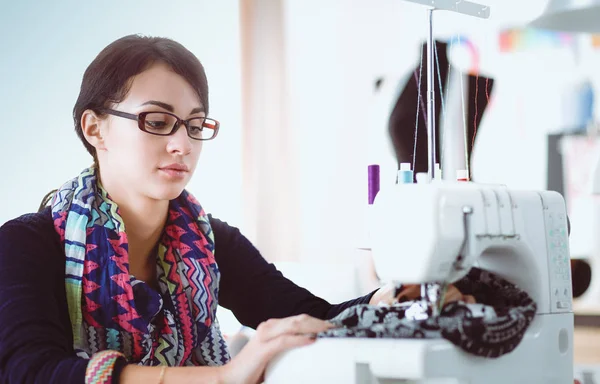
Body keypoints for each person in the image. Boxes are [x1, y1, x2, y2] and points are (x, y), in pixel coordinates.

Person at [0, 34, 472, 384]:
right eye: (158, 121)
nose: (182, 144)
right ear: (95, 128)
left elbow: (308, 315)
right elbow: (31, 370)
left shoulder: (212, 242)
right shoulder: (28, 244)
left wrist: (389, 303)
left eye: (195, 124)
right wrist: (225, 378)